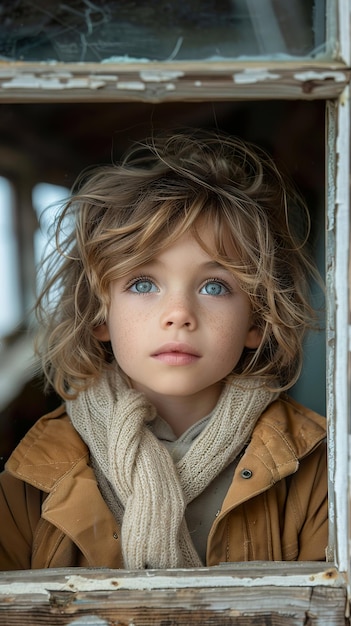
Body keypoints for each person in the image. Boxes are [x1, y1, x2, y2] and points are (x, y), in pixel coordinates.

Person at [0, 129, 327, 571]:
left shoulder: (317, 466)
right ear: (99, 315)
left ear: (256, 319)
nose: (178, 313)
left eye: (215, 286)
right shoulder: (31, 472)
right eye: (142, 283)